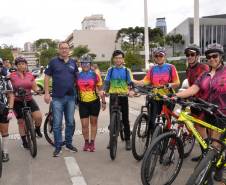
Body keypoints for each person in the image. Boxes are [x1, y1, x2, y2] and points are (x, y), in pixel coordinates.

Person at [175, 43, 226, 182]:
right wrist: (176, 96)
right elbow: (194, 88)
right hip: (205, 112)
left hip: (221, 115)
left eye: (214, 55)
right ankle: (207, 167)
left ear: (221, 56)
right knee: (205, 145)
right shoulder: (205, 74)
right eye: (209, 56)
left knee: (214, 149)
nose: (211, 59)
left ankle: (217, 168)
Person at [133, 47, 180, 133]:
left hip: (168, 97)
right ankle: (153, 138)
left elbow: (177, 83)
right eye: (156, 56)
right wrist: (134, 81)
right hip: (156, 97)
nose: (158, 57)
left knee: (166, 120)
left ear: (164, 56)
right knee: (153, 120)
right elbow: (145, 81)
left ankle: (166, 137)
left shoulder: (171, 67)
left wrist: (169, 85)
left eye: (161, 55)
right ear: (154, 57)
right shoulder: (152, 69)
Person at [44, 41, 79, 157]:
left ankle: (68, 143)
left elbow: (77, 78)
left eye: (66, 48)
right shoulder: (53, 62)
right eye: (62, 48)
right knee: (57, 124)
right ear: (59, 50)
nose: (64, 50)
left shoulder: (73, 63)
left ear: (69, 50)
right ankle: (58, 146)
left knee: (70, 122)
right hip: (57, 98)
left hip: (70, 97)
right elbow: (47, 78)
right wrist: (46, 93)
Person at [100, 50, 134, 150]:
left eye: (120, 58)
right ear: (113, 59)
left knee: (125, 119)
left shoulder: (126, 70)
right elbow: (106, 82)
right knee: (112, 119)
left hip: (123, 96)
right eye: (116, 58)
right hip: (113, 96)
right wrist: (103, 90)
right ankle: (112, 140)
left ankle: (128, 140)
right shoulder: (110, 70)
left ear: (123, 59)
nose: (118, 60)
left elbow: (130, 83)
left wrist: (131, 91)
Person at [10, 56, 43, 149]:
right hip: (17, 101)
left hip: (29, 99)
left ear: (26, 65)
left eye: (23, 64)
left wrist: (38, 90)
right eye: (19, 64)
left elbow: (34, 87)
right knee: (21, 122)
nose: (21, 66)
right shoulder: (12, 76)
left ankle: (36, 129)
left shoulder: (30, 75)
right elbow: (8, 87)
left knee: (38, 116)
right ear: (16, 66)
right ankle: (24, 141)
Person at [184, 44, 210, 162]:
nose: (189, 57)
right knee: (198, 130)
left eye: (192, 54)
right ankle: (204, 154)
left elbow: (206, 85)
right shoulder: (188, 68)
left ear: (198, 56)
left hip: (204, 103)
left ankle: (208, 158)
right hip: (195, 103)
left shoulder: (204, 67)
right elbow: (190, 86)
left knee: (204, 131)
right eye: (187, 55)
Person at [77, 55, 106, 152]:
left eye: (87, 63)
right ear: (81, 64)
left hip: (94, 102)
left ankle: (92, 142)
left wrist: (103, 101)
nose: (85, 65)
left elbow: (101, 89)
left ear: (90, 64)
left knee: (93, 123)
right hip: (82, 103)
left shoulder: (94, 75)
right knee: (84, 125)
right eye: (83, 63)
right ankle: (86, 142)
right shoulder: (77, 75)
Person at [0, 61, 14, 162]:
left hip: (3, 108)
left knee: (4, 131)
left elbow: (11, 95)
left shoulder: (5, 80)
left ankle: (5, 152)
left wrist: (10, 109)